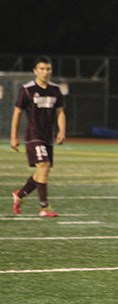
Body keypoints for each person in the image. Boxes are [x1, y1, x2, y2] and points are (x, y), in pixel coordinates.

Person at [10, 55, 66, 217]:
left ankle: (19, 195)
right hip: (33, 135)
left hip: (48, 136)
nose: (45, 72)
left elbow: (60, 112)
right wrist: (14, 136)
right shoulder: (27, 89)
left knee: (41, 172)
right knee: (44, 166)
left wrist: (61, 130)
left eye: (48, 69)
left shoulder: (55, 90)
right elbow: (17, 112)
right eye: (42, 69)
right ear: (35, 71)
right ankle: (44, 207)